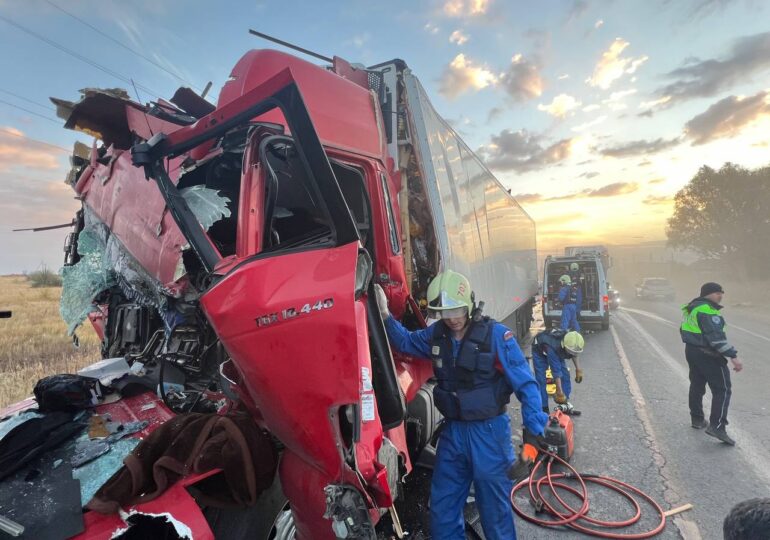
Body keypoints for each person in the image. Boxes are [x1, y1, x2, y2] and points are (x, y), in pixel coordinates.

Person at [374, 270, 548, 540]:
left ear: (469, 304)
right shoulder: (436, 336)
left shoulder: (496, 336)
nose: (452, 318)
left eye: (456, 310)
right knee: (443, 508)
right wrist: (384, 314)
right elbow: (406, 342)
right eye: (444, 312)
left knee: (495, 513)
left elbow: (526, 385)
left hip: (489, 435)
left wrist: (532, 439)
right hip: (453, 434)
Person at [680, 282, 743, 445]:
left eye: (721, 293)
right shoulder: (708, 311)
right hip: (708, 354)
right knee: (722, 389)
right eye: (717, 293)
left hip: (692, 351)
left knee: (697, 384)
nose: (720, 296)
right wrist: (733, 356)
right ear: (707, 294)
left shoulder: (692, 308)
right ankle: (718, 426)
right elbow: (716, 338)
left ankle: (697, 419)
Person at [532, 328, 584, 415]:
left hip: (558, 350)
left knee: (565, 376)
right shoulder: (553, 348)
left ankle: (564, 405)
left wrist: (578, 369)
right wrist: (559, 391)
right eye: (570, 352)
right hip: (540, 351)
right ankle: (544, 408)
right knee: (541, 380)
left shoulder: (572, 341)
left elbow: (574, 353)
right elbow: (556, 372)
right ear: (564, 346)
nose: (572, 354)